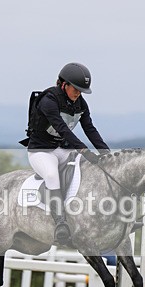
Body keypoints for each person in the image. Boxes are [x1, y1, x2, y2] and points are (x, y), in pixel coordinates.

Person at [20, 62, 110, 244]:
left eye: (81, 91)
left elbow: (90, 128)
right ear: (64, 84)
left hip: (62, 149)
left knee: (88, 170)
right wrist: (84, 150)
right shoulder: (48, 101)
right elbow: (63, 129)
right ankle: (60, 223)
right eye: (75, 89)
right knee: (52, 175)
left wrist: (106, 152)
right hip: (41, 151)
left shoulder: (80, 104)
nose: (78, 94)